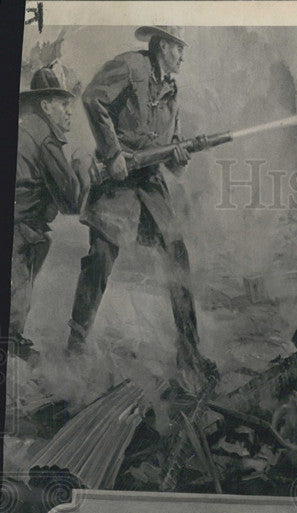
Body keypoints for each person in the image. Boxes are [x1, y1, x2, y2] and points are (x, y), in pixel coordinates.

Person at [65, 25, 218, 389]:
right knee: (101, 257)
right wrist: (114, 151)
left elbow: (171, 151)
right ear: (163, 46)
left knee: (177, 255)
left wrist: (181, 154)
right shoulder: (131, 67)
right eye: (179, 48)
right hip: (117, 180)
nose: (183, 55)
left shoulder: (172, 92)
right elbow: (92, 99)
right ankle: (74, 349)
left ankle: (189, 353)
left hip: (148, 183)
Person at [11, 65, 93, 361]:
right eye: (64, 106)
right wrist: (81, 170)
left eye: (71, 106)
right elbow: (72, 202)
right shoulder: (45, 138)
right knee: (15, 300)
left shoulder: (25, 128)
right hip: (22, 231)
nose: (70, 113)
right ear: (46, 106)